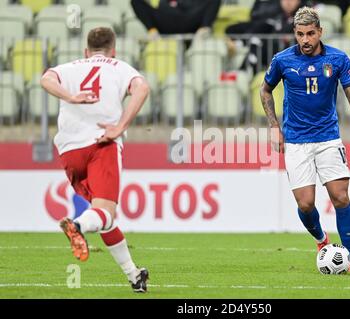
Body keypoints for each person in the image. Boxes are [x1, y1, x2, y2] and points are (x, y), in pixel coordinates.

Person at [260, 7, 350, 273]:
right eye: (300, 34)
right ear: (295, 34)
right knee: (306, 203)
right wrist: (273, 126)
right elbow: (265, 90)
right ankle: (322, 240)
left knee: (340, 197)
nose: (305, 40)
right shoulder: (282, 60)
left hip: (328, 138)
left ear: (320, 32)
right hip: (297, 140)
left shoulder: (338, 58)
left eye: (311, 33)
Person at [40, 27, 151, 292]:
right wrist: (120, 126)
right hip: (102, 144)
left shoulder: (68, 67)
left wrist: (70, 96)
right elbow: (142, 88)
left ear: (86, 51)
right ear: (113, 50)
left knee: (103, 216)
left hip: (69, 149)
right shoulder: (120, 67)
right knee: (104, 212)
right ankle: (76, 225)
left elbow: (46, 79)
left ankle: (134, 276)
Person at [241, 0, 303, 75]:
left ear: (299, 1)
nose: (288, 2)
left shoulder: (303, 19)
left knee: (262, 43)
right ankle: (248, 68)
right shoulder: (277, 17)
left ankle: (246, 68)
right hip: (272, 52)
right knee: (259, 37)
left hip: (290, 55)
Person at [131, 0, 222, 39]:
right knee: (136, 1)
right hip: (166, 20)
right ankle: (152, 30)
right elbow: (161, 6)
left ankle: (204, 28)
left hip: (189, 18)